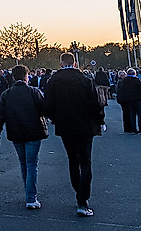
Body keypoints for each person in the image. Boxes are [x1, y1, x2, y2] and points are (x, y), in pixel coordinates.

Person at [43, 52, 104, 217]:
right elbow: (95, 103)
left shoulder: (53, 81)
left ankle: (79, 194)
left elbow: (48, 105)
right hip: (85, 126)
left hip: (65, 126)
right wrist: (100, 120)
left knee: (72, 160)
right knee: (86, 161)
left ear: (61, 63)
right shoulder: (85, 80)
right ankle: (83, 200)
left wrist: (55, 119)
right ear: (75, 63)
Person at [0, 65, 48, 210]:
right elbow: (44, 109)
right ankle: (31, 197)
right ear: (26, 76)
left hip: (15, 131)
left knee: (24, 164)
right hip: (34, 131)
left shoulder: (7, 94)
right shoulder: (34, 92)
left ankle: (28, 193)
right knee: (32, 164)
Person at [115, 68, 141, 134]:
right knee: (140, 115)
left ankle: (133, 129)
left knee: (132, 115)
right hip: (138, 99)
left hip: (129, 100)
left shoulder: (124, 81)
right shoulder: (136, 80)